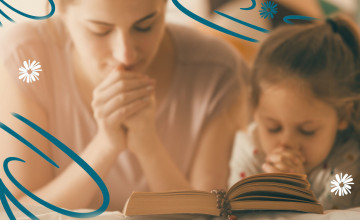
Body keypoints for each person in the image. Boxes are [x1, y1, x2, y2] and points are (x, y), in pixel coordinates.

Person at [0, 0, 248, 211]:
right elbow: (19, 210)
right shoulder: (26, 59)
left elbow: (209, 214)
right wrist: (106, 146)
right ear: (62, 11)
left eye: (145, 26)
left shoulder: (216, 70)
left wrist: (149, 148)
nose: (125, 55)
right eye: (100, 30)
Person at [228, 15, 360, 209]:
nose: (287, 142)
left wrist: (295, 192)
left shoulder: (348, 165)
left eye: (307, 130)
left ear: (342, 116)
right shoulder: (249, 150)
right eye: (273, 128)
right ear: (255, 112)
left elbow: (337, 213)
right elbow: (234, 212)